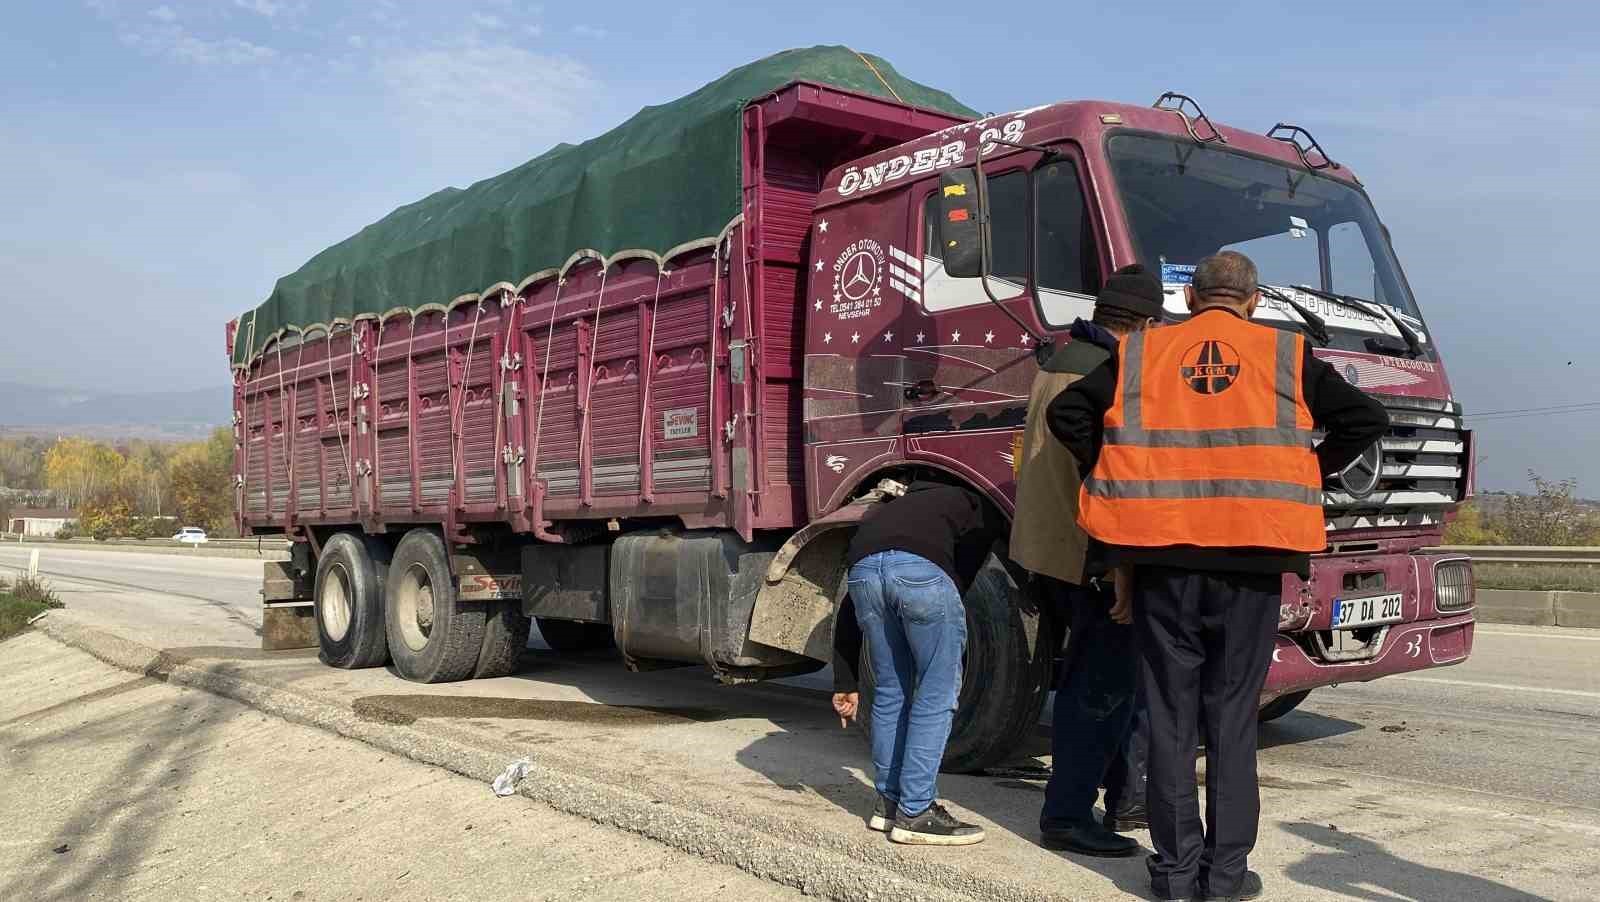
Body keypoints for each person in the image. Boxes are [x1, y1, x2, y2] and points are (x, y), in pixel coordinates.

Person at [1049, 251, 1388, 901]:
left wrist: (1117, 473)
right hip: (1253, 561)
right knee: (1232, 721)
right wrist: (1304, 470)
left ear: (1190, 298)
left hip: (1163, 559)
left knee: (1171, 719)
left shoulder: (1144, 353)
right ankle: (1225, 877)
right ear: (1253, 301)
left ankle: (1175, 876)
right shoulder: (1286, 355)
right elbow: (1366, 419)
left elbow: (1067, 414)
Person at [1010, 264, 1164, 857]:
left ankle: (1122, 799)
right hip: (1091, 555)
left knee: (1104, 682)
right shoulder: (1110, 369)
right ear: (1145, 325)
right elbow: (1109, 473)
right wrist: (1119, 563)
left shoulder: (1063, 357)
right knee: (1098, 691)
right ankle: (1068, 816)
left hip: (1049, 545)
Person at [843, 480, 1005, 845]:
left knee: (890, 690)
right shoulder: (975, 502)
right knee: (936, 692)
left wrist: (845, 679)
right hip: (920, 576)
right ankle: (916, 812)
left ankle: (888, 805)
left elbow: (846, 613)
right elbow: (966, 565)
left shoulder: (887, 510)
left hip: (862, 575)